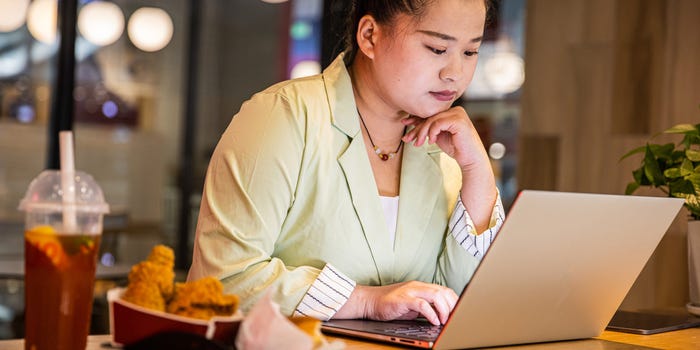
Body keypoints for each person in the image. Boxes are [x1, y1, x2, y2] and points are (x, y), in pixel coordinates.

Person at [188, 0, 504, 326]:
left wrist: (476, 171)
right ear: (369, 36)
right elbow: (221, 280)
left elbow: (453, 300)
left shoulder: (443, 149)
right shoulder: (284, 116)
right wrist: (365, 300)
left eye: (470, 52)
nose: (454, 73)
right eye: (437, 49)